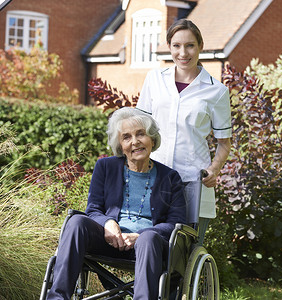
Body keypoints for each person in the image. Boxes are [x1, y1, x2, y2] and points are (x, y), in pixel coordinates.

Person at [47, 107, 186, 300]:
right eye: (126, 137)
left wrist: (141, 235)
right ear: (120, 146)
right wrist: (108, 223)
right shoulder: (105, 167)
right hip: (108, 240)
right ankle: (57, 298)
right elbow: (93, 209)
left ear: (152, 139)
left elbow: (176, 223)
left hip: (147, 248)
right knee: (77, 222)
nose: (135, 142)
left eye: (141, 134)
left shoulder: (170, 178)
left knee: (148, 239)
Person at [136, 19, 232, 244]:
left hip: (192, 182)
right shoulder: (154, 79)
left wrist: (214, 169)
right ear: (169, 46)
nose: (183, 52)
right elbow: (139, 127)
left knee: (184, 252)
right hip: (153, 176)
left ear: (200, 46)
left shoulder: (217, 91)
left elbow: (224, 142)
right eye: (177, 45)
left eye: (190, 45)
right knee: (147, 243)